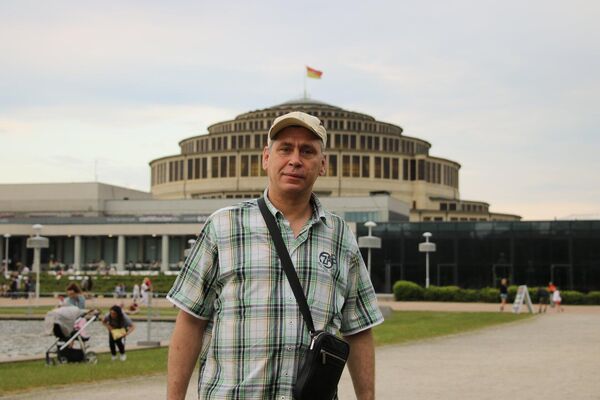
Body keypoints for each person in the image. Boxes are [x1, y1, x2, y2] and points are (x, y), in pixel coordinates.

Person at [167, 111, 384, 400]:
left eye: (307, 151)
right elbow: (191, 321)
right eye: (285, 149)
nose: (295, 160)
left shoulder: (340, 236)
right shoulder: (223, 226)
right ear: (266, 158)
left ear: (323, 164)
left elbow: (358, 330)